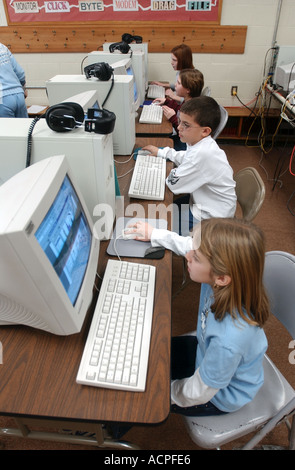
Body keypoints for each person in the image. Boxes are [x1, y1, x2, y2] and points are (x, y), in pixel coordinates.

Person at [129, 217, 270, 416]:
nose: (188, 256)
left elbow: (198, 392)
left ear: (221, 278)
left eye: (195, 258)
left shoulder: (228, 339)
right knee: (146, 353)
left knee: (135, 398)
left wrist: (163, 393)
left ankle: (109, 430)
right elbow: (191, 246)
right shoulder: (227, 281)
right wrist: (154, 234)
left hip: (217, 396)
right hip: (204, 353)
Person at [142, 96, 237, 235]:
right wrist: (162, 152)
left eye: (186, 125)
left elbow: (172, 184)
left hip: (213, 220)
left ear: (205, 131)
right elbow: (187, 157)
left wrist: (151, 171)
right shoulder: (201, 142)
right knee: (161, 212)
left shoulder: (203, 154)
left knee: (158, 223)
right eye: (179, 121)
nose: (179, 127)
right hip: (203, 202)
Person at [153, 68, 204, 150]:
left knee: (157, 142)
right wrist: (167, 102)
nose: (175, 85)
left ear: (188, 90)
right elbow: (179, 109)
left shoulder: (192, 110)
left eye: (179, 83)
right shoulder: (188, 101)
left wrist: (173, 118)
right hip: (182, 138)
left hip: (184, 145)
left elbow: (184, 133)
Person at [0, 42, 28, 118]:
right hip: (19, 94)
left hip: (2, 100)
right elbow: (20, 72)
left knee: (6, 129)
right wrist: (23, 89)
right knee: (25, 128)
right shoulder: (2, 47)